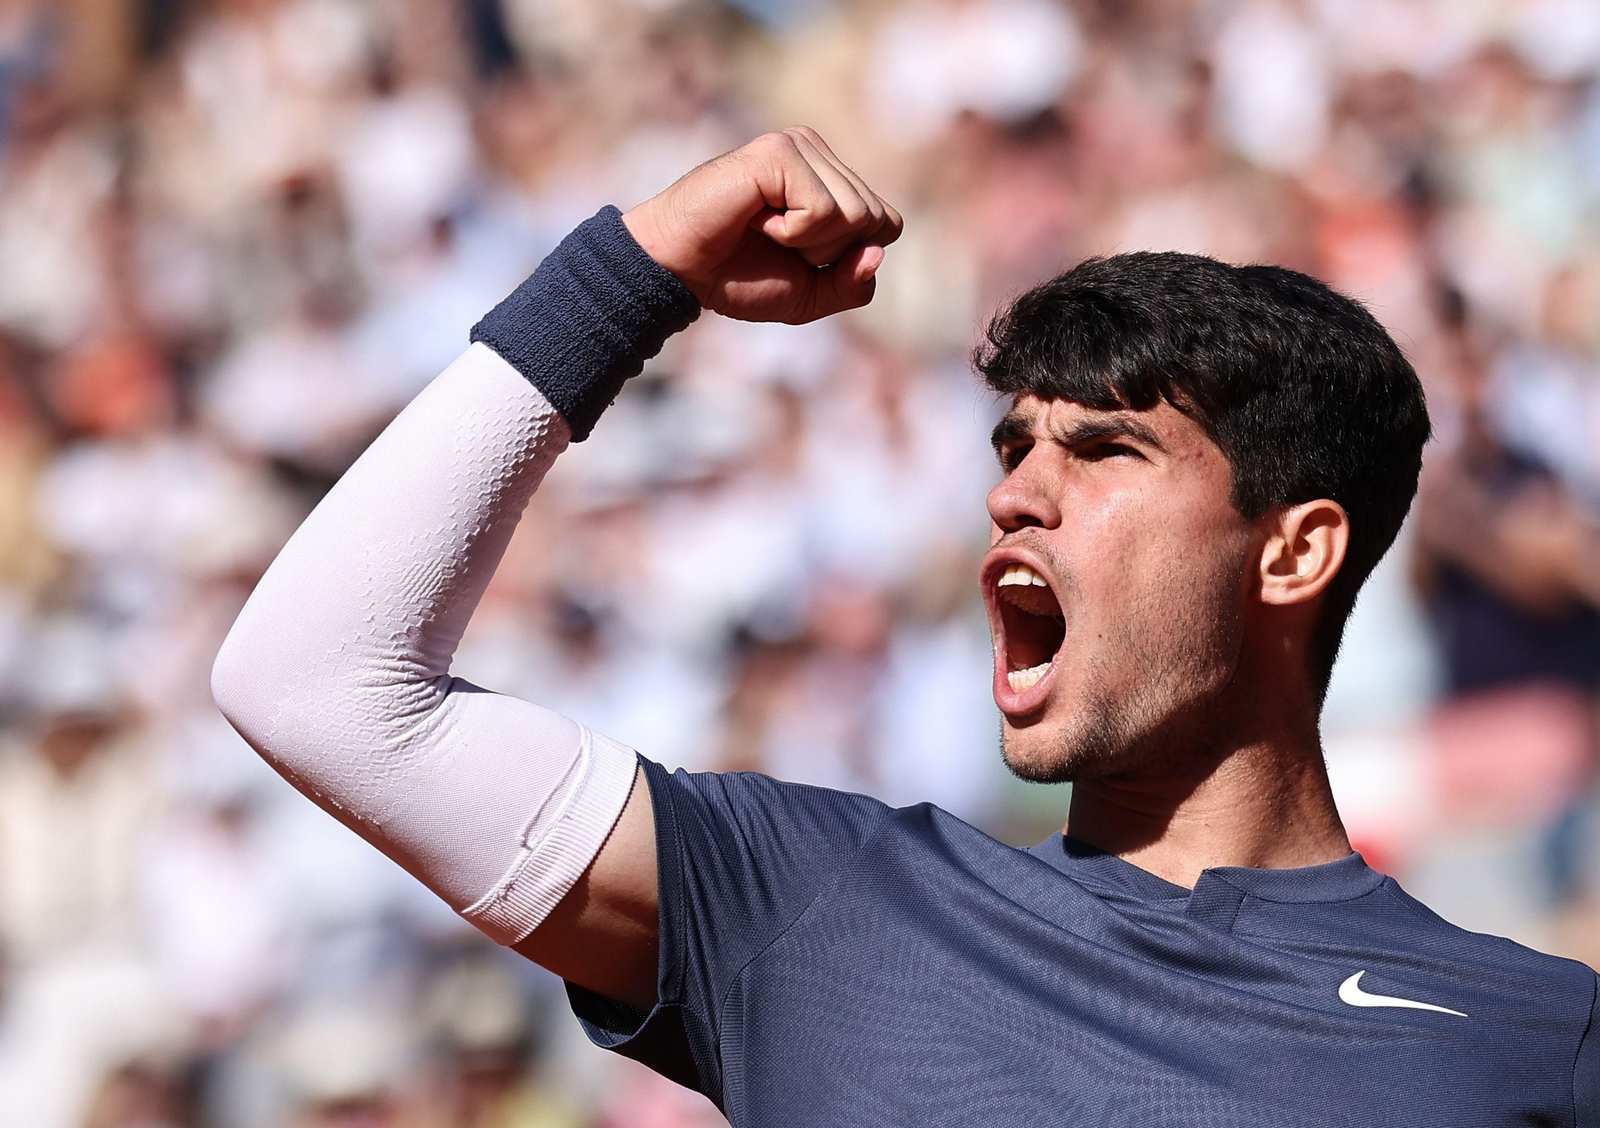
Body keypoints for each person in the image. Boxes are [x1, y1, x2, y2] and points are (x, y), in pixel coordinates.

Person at [212, 128, 1600, 1125]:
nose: (1014, 495)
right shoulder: (815, 904)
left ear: (1293, 553)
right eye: (1012, 447)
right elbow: (316, 682)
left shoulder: (1539, 1037)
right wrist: (631, 281)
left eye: (1106, 451)